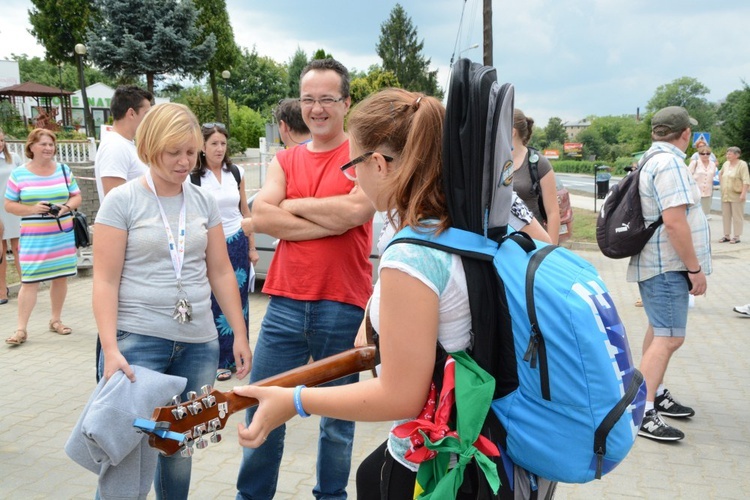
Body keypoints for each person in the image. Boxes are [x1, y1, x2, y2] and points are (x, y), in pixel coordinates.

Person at [233, 87, 500, 498]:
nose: (351, 178)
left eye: (352, 166)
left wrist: (297, 401)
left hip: (439, 462)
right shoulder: (467, 221)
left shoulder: (412, 256)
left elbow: (399, 396)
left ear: (378, 163)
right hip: (485, 439)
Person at [93, 102, 252, 499]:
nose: (184, 162)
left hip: (199, 344)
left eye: (191, 152)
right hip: (138, 341)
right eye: (173, 152)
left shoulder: (201, 201)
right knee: (125, 455)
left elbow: (219, 272)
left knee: (179, 448)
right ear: (150, 147)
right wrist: (110, 348)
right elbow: (105, 280)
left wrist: (240, 334)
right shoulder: (122, 201)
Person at [235, 58, 374, 500]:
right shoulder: (285, 158)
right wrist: (329, 217)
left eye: (327, 99)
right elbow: (260, 214)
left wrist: (292, 205)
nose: (316, 109)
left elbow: (356, 211)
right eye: (308, 99)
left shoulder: (364, 155)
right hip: (285, 302)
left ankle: (330, 496)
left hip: (344, 301)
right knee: (262, 408)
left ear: (346, 103)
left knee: (337, 422)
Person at [628, 106, 711, 442]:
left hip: (656, 262)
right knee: (670, 337)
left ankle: (654, 391)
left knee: (659, 329)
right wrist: (695, 269)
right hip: (668, 264)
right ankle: (643, 412)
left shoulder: (650, 158)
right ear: (685, 134)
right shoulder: (671, 163)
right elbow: (675, 222)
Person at [191, 122, 258, 381]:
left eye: (223, 143)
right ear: (203, 147)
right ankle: (218, 359)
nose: (219, 149)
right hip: (211, 244)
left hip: (237, 240)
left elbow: (245, 211)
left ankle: (238, 356)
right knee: (214, 301)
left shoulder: (236, 172)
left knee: (239, 300)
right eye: (213, 144)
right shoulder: (194, 177)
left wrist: (252, 246)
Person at [4, 129, 82, 345]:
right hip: (33, 238)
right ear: (31, 147)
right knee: (29, 281)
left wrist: (66, 207)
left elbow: (77, 196)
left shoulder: (64, 170)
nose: (48, 148)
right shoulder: (19, 174)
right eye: (43, 144)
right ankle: (21, 329)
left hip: (61, 235)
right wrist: (32, 209)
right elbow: (9, 205)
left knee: (60, 277)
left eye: (51, 144)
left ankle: (56, 320)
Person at [94, 85, 154, 203]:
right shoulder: (114, 147)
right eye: (146, 114)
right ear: (131, 113)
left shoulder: (124, 144)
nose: (149, 120)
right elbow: (115, 200)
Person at [511, 109, 561, 243]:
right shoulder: (495, 162)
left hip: (534, 244)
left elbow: (553, 212)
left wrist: (551, 252)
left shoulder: (539, 163)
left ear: (512, 132)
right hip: (505, 245)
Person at [0, 127, 23, 303]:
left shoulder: (13, 158)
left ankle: (26, 286)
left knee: (18, 249)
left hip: (13, 208)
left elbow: (23, 180)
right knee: (0, 253)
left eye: (2, 140)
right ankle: (2, 290)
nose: (1, 144)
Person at [717, 146, 749, 244]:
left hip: (737, 194)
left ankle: (736, 236)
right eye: (727, 153)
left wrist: (743, 193)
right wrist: (722, 185)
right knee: (725, 215)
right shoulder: (726, 164)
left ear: (737, 155)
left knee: (737, 216)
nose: (727, 155)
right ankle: (726, 235)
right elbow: (720, 174)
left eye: (730, 154)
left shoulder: (742, 164)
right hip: (726, 194)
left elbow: (746, 180)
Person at [687, 145, 718, 218]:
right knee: (694, 213)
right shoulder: (695, 163)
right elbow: (688, 176)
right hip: (695, 191)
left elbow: (713, 176)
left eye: (708, 154)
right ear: (699, 154)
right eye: (703, 154)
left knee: (705, 212)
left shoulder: (713, 164)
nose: (705, 155)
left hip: (707, 191)